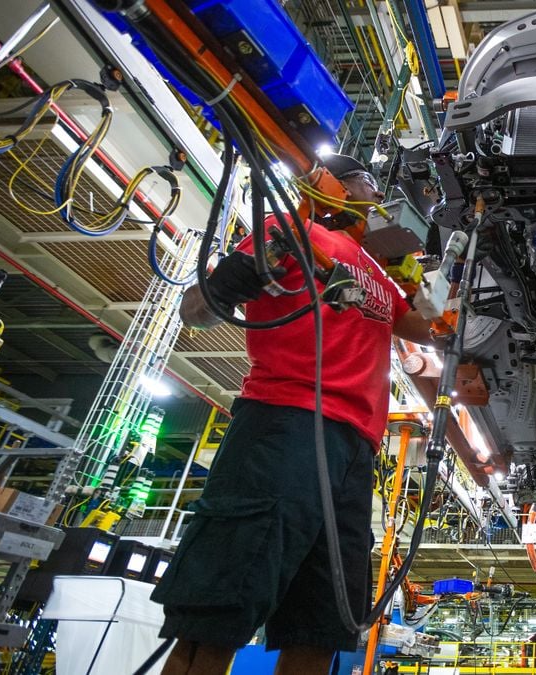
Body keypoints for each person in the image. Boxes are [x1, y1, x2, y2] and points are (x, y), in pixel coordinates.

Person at [153, 154, 432, 675]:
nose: (377, 200)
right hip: (285, 422)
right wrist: (243, 271)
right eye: (366, 186)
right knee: (221, 603)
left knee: (324, 618)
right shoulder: (288, 228)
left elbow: (426, 328)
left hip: (356, 446)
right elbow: (196, 311)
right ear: (334, 187)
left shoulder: (377, 271)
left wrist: (444, 290)